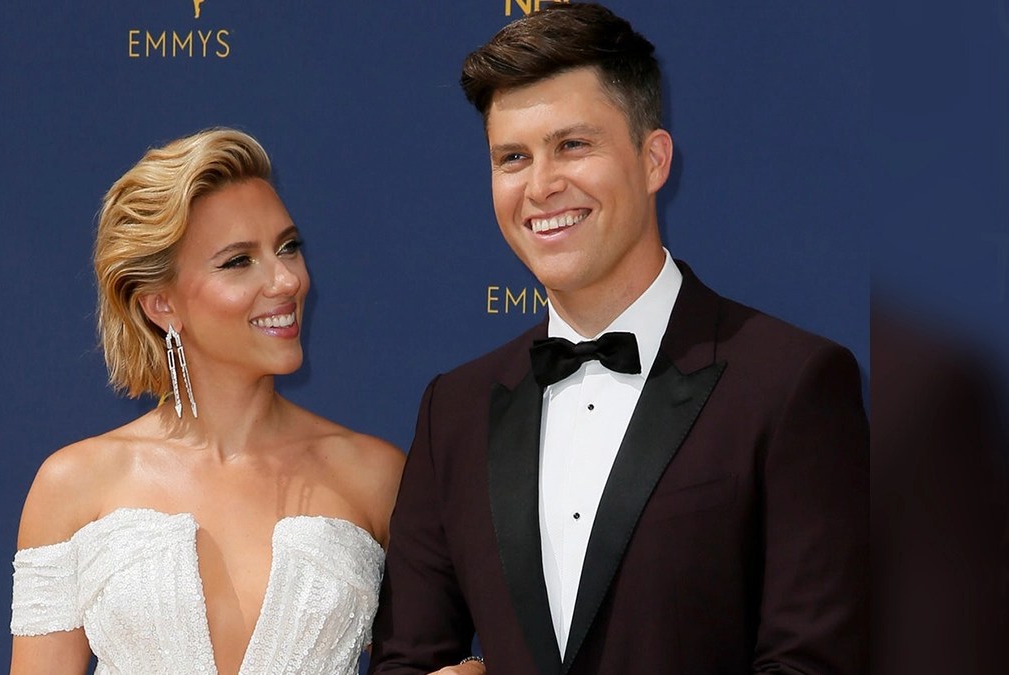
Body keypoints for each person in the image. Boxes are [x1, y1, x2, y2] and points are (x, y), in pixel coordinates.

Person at [369, 4, 869, 674]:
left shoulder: (790, 383)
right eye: (513, 157)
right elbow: (407, 660)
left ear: (653, 159)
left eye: (573, 146)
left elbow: (815, 662)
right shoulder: (454, 410)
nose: (541, 186)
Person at [8, 128, 405, 675]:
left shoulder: (376, 477)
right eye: (238, 261)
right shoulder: (72, 485)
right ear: (161, 305)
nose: (286, 280)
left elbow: (432, 657)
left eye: (287, 247)